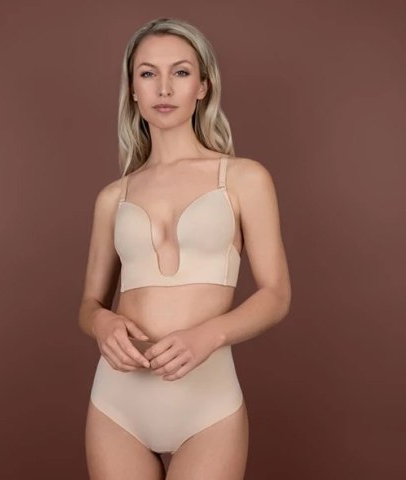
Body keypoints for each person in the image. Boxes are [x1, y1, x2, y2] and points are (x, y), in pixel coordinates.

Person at [78, 17, 291, 480]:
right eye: (148, 73)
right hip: (118, 401)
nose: (164, 88)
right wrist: (102, 322)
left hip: (207, 402)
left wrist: (209, 335)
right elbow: (89, 304)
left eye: (180, 72)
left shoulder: (243, 178)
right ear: (133, 90)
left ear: (202, 86)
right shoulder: (113, 197)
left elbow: (276, 295)